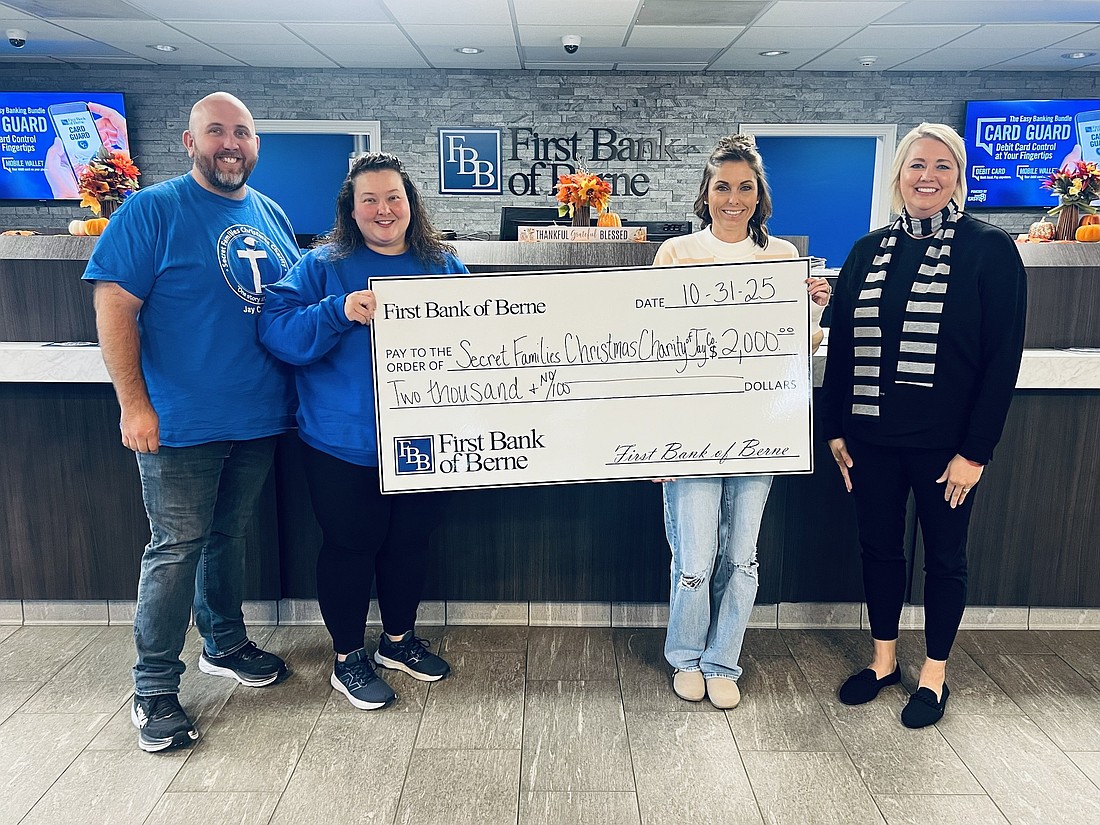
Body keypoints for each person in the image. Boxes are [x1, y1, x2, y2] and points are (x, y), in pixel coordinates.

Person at [83, 92, 300, 752]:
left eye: (242, 132)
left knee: (226, 536)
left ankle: (224, 642)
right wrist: (133, 403)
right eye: (216, 132)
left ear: (256, 144)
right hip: (178, 420)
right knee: (176, 547)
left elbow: (290, 303)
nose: (229, 142)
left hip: (259, 414)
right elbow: (114, 305)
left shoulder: (270, 212)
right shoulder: (153, 209)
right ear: (189, 141)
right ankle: (153, 688)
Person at [820, 123, 1027, 728]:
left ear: (959, 177)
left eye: (942, 166)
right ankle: (883, 662)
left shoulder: (991, 250)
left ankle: (934, 675)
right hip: (871, 440)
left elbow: (1001, 360)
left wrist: (976, 451)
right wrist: (835, 427)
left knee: (945, 558)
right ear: (899, 175)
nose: (927, 177)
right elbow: (843, 346)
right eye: (916, 165)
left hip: (947, 450)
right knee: (879, 550)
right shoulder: (867, 251)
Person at [259, 153, 465, 710]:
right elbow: (277, 333)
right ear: (350, 210)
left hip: (425, 439)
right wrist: (337, 311)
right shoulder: (321, 266)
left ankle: (398, 641)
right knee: (351, 547)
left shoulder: (444, 265)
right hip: (342, 442)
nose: (383, 209)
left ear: (411, 204)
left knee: (409, 544)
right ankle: (348, 658)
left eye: (393, 197)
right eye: (369, 199)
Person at [654, 135, 831, 709]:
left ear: (760, 195)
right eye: (722, 186)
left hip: (759, 431)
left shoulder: (782, 260)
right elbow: (648, 349)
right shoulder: (676, 255)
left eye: (745, 187)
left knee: (742, 557)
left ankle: (723, 660)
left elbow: (796, 348)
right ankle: (685, 656)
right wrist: (652, 440)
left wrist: (815, 308)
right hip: (690, 433)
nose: (734, 198)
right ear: (706, 195)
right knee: (695, 557)